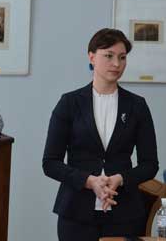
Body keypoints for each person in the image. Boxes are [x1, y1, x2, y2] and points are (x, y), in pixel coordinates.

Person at [42, 28, 159, 241]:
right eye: (109, 56)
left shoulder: (137, 105)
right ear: (92, 57)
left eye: (122, 57)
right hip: (76, 213)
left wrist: (120, 179)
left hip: (125, 213)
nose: (116, 64)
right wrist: (89, 181)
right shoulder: (69, 103)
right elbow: (50, 163)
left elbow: (150, 164)